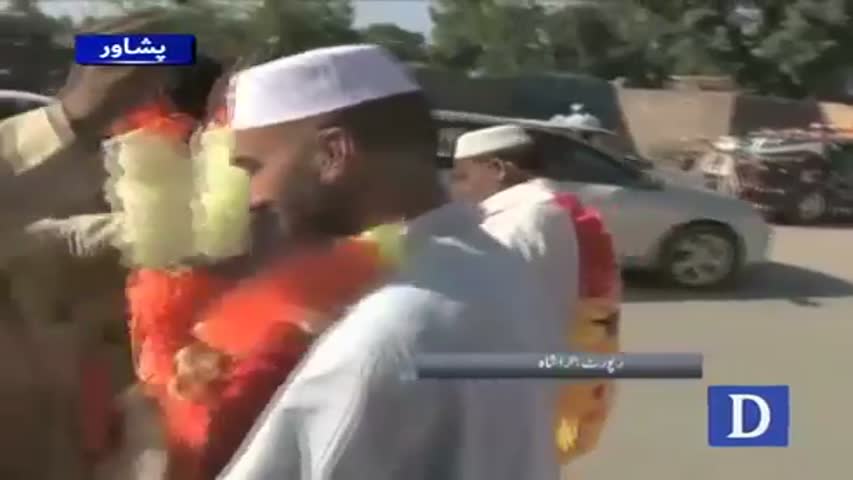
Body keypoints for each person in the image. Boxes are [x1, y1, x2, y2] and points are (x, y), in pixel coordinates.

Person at [218, 44, 564, 480]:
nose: (254, 198)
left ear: (333, 154)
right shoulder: (502, 269)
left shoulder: (386, 331)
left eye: (253, 168)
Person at [450, 124, 621, 466]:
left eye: (463, 176)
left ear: (498, 169)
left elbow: (498, 314)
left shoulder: (520, 224)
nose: (457, 189)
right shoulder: (553, 209)